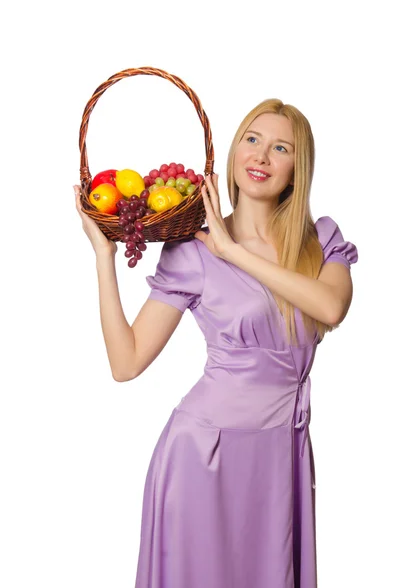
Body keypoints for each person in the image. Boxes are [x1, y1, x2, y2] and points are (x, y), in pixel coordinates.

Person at [74, 98, 358, 588]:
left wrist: (234, 252)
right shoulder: (193, 250)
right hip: (203, 455)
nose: (262, 156)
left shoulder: (321, 243)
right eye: (251, 140)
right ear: (232, 153)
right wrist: (103, 255)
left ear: (297, 168)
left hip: (280, 456)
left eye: (280, 148)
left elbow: (329, 308)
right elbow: (126, 363)